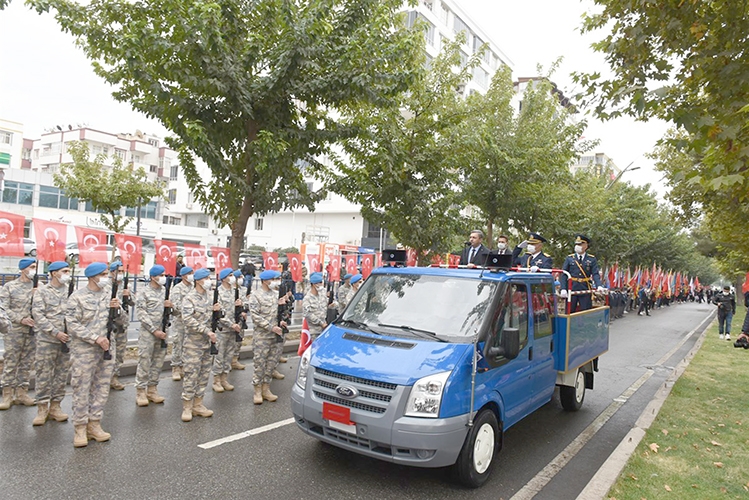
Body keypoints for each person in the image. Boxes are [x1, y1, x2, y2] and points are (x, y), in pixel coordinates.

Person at [65, 262, 120, 447]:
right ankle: (80, 427)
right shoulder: (77, 297)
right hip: (84, 350)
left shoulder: (110, 296)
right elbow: (72, 324)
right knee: (82, 387)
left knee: (102, 387)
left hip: (106, 349)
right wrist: (94, 338)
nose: (108, 277)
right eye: (104, 274)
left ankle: (94, 424)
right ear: (93, 276)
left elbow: (121, 323)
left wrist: (118, 309)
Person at [31, 260, 72, 426]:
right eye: (65, 271)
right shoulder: (42, 292)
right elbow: (38, 315)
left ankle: (55, 406)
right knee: (43, 373)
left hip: (66, 341)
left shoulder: (71, 291)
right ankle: (42, 408)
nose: (67, 274)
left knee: (61, 374)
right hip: (47, 340)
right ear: (54, 273)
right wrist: (56, 332)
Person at [180, 268, 219, 422]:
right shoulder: (189, 298)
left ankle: (198, 404)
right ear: (198, 280)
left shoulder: (210, 297)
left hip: (207, 344)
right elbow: (187, 319)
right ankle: (187, 407)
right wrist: (206, 331)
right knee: (191, 375)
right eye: (207, 278)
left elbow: (216, 319)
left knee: (204, 375)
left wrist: (218, 312)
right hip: (193, 344)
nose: (209, 281)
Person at [0, 257, 38, 410]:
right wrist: (20, 319)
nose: (34, 270)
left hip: (32, 331)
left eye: (35, 267)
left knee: (26, 362)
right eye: (32, 267)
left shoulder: (39, 287)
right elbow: (3, 308)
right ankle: (7, 395)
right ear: (23, 269)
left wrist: (38, 295)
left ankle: (22, 393)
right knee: (11, 362)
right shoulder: (10, 287)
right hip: (14, 331)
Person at [134, 265, 172, 407]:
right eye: (160, 275)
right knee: (145, 361)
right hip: (148, 333)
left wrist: (171, 306)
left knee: (158, 362)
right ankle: (140, 391)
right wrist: (153, 329)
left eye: (164, 275)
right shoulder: (144, 292)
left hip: (163, 332)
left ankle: (152, 389)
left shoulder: (166, 292)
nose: (163, 278)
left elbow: (175, 312)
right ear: (152, 277)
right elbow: (141, 313)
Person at [248, 270, 287, 405]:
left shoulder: (277, 295)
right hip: (262, 336)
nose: (275, 282)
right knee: (260, 364)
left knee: (271, 364)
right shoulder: (256, 296)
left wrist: (282, 320)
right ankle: (257, 390)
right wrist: (270, 327)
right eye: (273, 279)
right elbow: (255, 316)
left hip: (275, 336)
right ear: (265, 281)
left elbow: (281, 314)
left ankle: (266, 389)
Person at [212, 268, 240, 393]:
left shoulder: (235, 292)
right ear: (223, 278)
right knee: (220, 355)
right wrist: (230, 324)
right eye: (230, 275)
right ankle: (216, 380)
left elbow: (239, 310)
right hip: (222, 329)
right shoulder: (218, 293)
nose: (233, 277)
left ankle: (224, 379)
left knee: (229, 355)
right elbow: (219, 313)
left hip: (233, 329)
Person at [559, 235, 604, 312]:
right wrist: (563, 288)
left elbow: (595, 273)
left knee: (585, 311)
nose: (577, 246)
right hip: (572, 287)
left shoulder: (591, 259)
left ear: (586, 246)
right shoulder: (569, 258)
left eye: (580, 244)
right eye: (576, 244)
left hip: (585, 287)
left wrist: (599, 285)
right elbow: (564, 274)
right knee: (570, 311)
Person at [109, 261, 133, 391]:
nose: (121, 274)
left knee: (120, 353)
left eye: (123, 272)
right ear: (112, 272)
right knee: (108, 354)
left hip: (122, 324)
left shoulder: (125, 286)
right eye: (119, 271)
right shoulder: (107, 287)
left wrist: (127, 295)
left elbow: (133, 302)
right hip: (111, 325)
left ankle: (115, 377)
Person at [169, 266, 194, 381]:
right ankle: (176, 367)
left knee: (188, 345)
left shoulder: (194, 287)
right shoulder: (177, 288)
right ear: (183, 276)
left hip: (192, 322)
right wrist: (189, 310)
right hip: (180, 320)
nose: (191, 275)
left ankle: (185, 366)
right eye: (189, 273)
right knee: (178, 343)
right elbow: (175, 304)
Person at [304, 272, 331, 342]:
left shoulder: (322, 295)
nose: (321, 285)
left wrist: (332, 304)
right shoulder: (307, 298)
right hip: (314, 330)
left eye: (321, 282)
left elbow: (326, 305)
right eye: (318, 283)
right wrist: (321, 323)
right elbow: (308, 314)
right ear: (313, 284)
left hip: (324, 327)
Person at [230, 269, 248, 371]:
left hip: (241, 319)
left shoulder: (243, 290)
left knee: (239, 340)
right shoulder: (227, 291)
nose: (242, 279)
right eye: (240, 277)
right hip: (231, 320)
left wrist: (244, 309)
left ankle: (234, 360)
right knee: (228, 342)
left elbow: (247, 302)